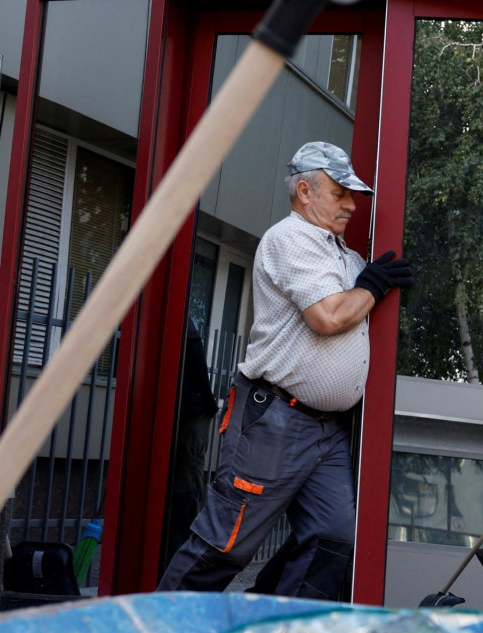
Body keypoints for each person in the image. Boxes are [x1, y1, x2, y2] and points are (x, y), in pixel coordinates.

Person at [157, 141, 413, 600]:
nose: (352, 205)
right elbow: (330, 317)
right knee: (226, 543)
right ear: (304, 191)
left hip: (327, 431)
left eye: (352, 195)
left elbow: (355, 308)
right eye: (340, 193)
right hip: (275, 420)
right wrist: (373, 286)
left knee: (332, 541)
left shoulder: (344, 257)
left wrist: (372, 284)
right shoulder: (289, 239)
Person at [160, 318, 219, 570]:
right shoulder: (184, 325)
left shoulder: (176, 323)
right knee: (187, 481)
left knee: (182, 483)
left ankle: (174, 556)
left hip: (178, 410)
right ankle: (178, 553)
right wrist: (207, 403)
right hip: (189, 410)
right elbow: (196, 366)